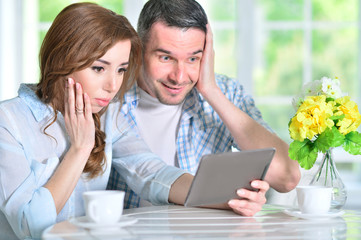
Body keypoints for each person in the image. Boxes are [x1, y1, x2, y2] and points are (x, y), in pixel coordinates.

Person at [0, 3, 226, 239]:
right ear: (62, 61)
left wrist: (225, 195)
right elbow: (29, 226)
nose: (112, 86)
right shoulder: (8, 121)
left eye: (121, 70)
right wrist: (80, 148)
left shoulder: (109, 115)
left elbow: (152, 172)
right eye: (99, 68)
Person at [107, 0, 301, 211]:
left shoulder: (227, 93)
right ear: (139, 49)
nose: (179, 77)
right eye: (165, 57)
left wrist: (211, 91)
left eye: (193, 58)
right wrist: (229, 198)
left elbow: (287, 177)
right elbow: (152, 175)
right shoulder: (110, 98)